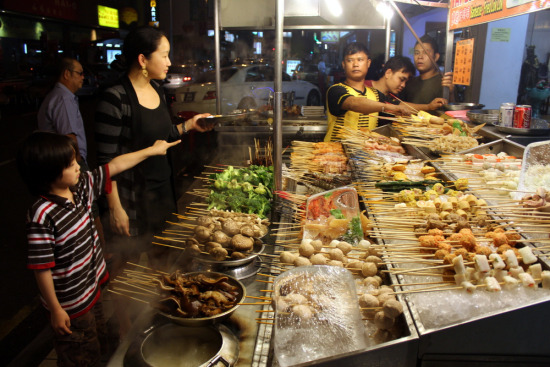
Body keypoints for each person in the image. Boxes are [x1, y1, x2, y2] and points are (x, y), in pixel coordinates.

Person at [17, 131, 180, 367]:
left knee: (100, 344)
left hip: (93, 290)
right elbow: (41, 268)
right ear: (48, 172)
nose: (78, 167)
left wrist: (151, 151)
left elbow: (115, 166)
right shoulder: (42, 214)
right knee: (80, 355)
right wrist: (55, 309)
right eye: (71, 164)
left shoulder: (80, 189)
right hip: (71, 306)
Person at [94, 26, 211, 277]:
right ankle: (121, 318)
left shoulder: (157, 90)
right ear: (143, 59)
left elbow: (163, 137)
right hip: (131, 198)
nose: (170, 62)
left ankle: (159, 306)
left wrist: (189, 125)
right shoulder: (115, 99)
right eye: (165, 55)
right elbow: (105, 163)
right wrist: (115, 208)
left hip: (161, 193)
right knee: (125, 264)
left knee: (164, 255)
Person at [324, 42, 412, 142]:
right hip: (334, 152)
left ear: (368, 63)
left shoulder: (375, 94)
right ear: (343, 65)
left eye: (360, 60)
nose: (355, 64)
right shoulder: (335, 90)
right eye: (350, 60)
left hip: (364, 154)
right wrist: (387, 107)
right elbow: (353, 103)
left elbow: (402, 106)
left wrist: (428, 107)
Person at [38, 58, 88, 164]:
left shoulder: (57, 95)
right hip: (66, 163)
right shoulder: (64, 99)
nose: (83, 77)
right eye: (79, 73)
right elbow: (69, 137)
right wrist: (79, 164)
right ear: (66, 74)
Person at [365, 55, 447, 112]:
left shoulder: (392, 97)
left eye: (405, 82)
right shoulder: (365, 87)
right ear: (388, 73)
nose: (403, 85)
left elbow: (402, 105)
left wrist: (429, 106)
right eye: (401, 79)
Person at [401, 35, 454, 105]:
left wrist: (451, 93)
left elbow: (454, 110)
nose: (420, 57)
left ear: (436, 57)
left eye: (425, 53)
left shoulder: (444, 82)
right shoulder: (409, 83)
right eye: (417, 53)